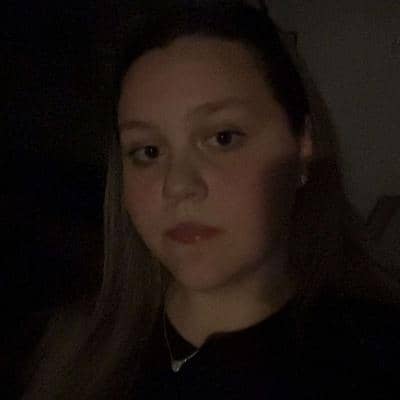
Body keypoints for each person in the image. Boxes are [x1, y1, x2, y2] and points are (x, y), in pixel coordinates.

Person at [21, 1, 400, 399]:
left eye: (222, 138)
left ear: (302, 145)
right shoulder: (68, 346)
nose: (178, 185)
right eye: (148, 151)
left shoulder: (373, 360)